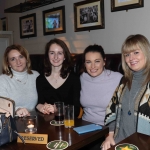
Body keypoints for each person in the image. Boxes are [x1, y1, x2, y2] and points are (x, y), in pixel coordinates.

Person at [102, 34, 150, 150]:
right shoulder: (123, 81)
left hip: (144, 144)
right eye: (127, 55)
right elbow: (111, 110)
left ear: (146, 52)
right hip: (120, 141)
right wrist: (110, 136)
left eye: (136, 52)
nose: (131, 58)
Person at [79, 45, 122, 150]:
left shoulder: (117, 78)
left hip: (107, 129)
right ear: (84, 64)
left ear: (104, 61)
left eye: (97, 61)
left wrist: (110, 134)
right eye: (88, 62)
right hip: (84, 127)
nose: (92, 66)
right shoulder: (82, 78)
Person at [36, 38, 81, 117]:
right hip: (47, 124)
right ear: (47, 56)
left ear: (65, 56)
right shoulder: (40, 79)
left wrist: (57, 109)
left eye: (60, 53)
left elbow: (76, 110)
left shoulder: (74, 79)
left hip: (67, 124)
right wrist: (40, 107)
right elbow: (40, 103)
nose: (56, 57)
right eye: (52, 53)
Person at [0, 44, 39, 117]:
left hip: (33, 120)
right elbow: (2, 106)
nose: (18, 62)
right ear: (8, 64)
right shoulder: (2, 80)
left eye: (21, 57)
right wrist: (16, 110)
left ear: (26, 59)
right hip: (12, 122)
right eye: (13, 59)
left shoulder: (36, 75)